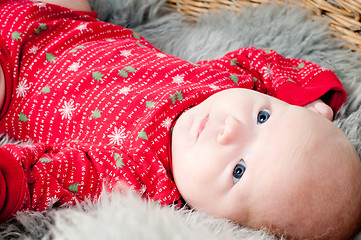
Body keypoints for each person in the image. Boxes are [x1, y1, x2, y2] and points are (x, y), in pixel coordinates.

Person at [0, 0, 360, 239]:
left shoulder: (137, 182)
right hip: (66, 20)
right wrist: (311, 96)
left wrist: (8, 179)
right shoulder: (223, 86)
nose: (229, 128)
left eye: (239, 170)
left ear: (221, 221)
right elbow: (259, 62)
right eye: (263, 117)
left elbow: (46, 179)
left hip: (12, 78)